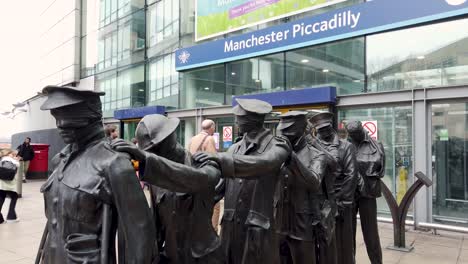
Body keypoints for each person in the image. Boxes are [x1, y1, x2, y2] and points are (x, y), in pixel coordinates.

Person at [37, 85, 155, 264]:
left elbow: (139, 235)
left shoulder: (113, 163)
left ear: (89, 117)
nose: (60, 124)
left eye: (68, 117)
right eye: (57, 117)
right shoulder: (59, 161)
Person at [113, 114, 223, 264]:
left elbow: (198, 179)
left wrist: (149, 160)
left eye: (154, 149)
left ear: (170, 139)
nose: (152, 154)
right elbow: (157, 219)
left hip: (203, 256)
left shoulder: (202, 165)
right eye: (149, 151)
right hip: (172, 255)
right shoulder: (156, 175)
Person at [194, 98, 292, 264]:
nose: (235, 120)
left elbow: (264, 164)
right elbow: (218, 189)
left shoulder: (278, 146)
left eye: (239, 117)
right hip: (231, 232)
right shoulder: (234, 148)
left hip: (257, 234)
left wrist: (220, 158)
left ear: (251, 120)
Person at [274, 111, 327, 264]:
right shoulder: (277, 152)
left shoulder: (317, 155)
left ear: (302, 129)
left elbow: (314, 182)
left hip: (303, 222)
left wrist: (292, 158)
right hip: (279, 221)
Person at [310, 113, 358, 264]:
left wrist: (343, 200)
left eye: (326, 128)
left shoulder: (346, 146)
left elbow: (351, 175)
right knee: (323, 242)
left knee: (343, 241)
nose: (324, 132)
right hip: (320, 200)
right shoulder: (311, 146)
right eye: (320, 129)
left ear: (331, 126)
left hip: (340, 199)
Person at [346, 121, 385, 264]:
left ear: (362, 130)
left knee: (371, 234)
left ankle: (376, 261)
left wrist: (361, 174)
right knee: (348, 234)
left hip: (368, 194)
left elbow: (381, 169)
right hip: (349, 194)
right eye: (351, 135)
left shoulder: (376, 145)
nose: (354, 136)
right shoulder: (346, 146)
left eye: (356, 133)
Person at [189, 119, 221, 233]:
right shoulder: (209, 139)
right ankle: (212, 231)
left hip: (194, 176)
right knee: (215, 205)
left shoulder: (192, 139)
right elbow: (213, 159)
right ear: (211, 127)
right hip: (206, 178)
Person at [0, 149, 20, 223]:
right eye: (12, 154)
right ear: (8, 154)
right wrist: (16, 160)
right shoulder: (12, 161)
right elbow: (17, 167)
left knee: (1, 198)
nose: (14, 155)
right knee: (14, 197)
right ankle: (11, 217)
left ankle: (0, 219)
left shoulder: (2, 160)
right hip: (9, 184)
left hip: (1, 184)